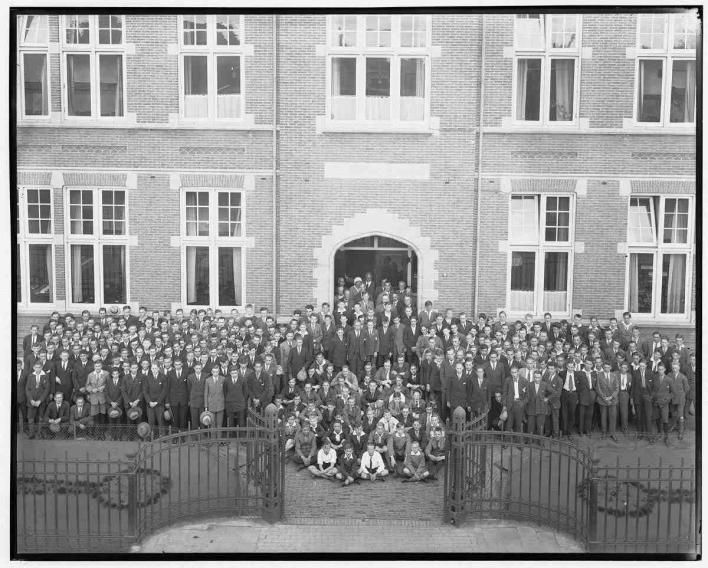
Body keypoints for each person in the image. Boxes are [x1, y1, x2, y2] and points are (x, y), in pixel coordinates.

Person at [25, 361, 50, 439]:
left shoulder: (45, 376)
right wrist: (31, 400)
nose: (37, 369)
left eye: (39, 367)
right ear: (33, 368)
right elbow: (27, 389)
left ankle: (39, 433)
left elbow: (46, 390)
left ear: (42, 367)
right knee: (31, 418)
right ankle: (31, 433)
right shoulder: (30, 376)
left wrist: (40, 400)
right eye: (36, 367)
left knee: (40, 418)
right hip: (31, 401)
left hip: (41, 402)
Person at [596, 362, 619, 442]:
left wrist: (611, 397)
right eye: (605, 367)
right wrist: (604, 398)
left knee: (612, 417)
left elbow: (617, 388)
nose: (607, 369)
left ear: (611, 367)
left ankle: (612, 433)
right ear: (603, 367)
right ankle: (604, 432)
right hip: (603, 400)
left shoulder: (614, 375)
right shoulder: (599, 375)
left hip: (613, 400)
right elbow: (598, 388)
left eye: (608, 367)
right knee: (603, 417)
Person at [652, 362, 673, 446]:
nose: (660, 371)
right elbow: (653, 390)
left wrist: (666, 400)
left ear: (664, 370)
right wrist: (654, 399)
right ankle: (659, 433)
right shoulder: (655, 378)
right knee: (657, 418)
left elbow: (672, 393)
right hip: (656, 403)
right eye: (659, 369)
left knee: (665, 420)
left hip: (664, 403)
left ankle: (666, 437)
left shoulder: (669, 379)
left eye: (662, 369)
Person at [204, 365, 226, 434]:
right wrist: (206, 406)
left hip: (220, 404)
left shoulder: (223, 379)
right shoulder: (208, 380)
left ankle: (219, 441)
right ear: (212, 372)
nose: (215, 373)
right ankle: (213, 440)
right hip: (211, 405)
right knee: (212, 424)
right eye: (214, 372)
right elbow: (206, 393)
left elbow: (225, 392)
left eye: (217, 372)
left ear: (219, 372)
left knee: (219, 424)